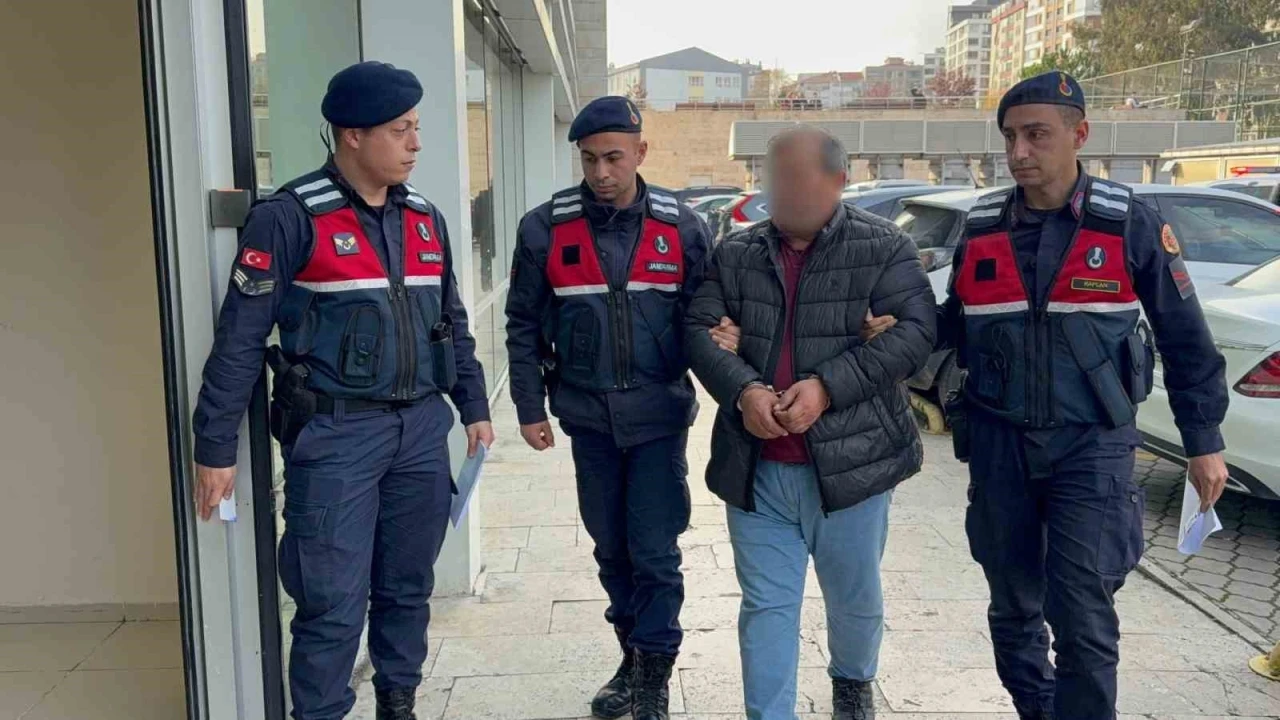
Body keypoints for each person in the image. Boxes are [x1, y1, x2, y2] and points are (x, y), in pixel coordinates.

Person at [191, 61, 494, 720]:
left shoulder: (425, 219)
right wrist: (214, 445)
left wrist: (473, 406)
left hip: (420, 432)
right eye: (400, 130)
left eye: (416, 127)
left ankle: (398, 704)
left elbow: (450, 322)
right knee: (331, 604)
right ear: (352, 134)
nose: (416, 143)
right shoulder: (289, 218)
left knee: (407, 588)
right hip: (336, 438)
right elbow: (240, 339)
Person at [930, 72, 1229, 719]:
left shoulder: (1128, 223)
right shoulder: (982, 227)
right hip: (999, 444)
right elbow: (951, 324)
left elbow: (1186, 338)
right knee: (1013, 611)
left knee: (1082, 617)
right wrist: (891, 328)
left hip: (1091, 446)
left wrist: (1203, 442)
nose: (1018, 152)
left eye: (1036, 135)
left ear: (1079, 134)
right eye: (1010, 137)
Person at [684, 125, 937, 720]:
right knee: (766, 607)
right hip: (758, 469)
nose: (778, 192)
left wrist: (827, 387)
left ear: (838, 180)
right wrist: (743, 389)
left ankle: (852, 682)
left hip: (854, 468)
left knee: (853, 597)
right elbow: (697, 330)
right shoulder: (736, 253)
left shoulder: (883, 247)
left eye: (794, 179)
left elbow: (917, 332)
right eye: (771, 178)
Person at [504, 96, 712, 720]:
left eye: (614, 158)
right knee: (611, 551)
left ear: (641, 152)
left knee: (655, 552)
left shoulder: (682, 228)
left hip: (658, 419)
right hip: (589, 420)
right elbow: (522, 324)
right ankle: (633, 657)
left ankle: (653, 681)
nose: (601, 172)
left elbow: (710, 319)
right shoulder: (544, 229)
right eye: (589, 159)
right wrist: (528, 405)